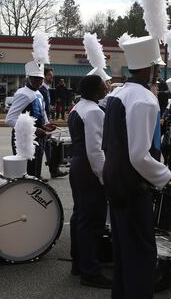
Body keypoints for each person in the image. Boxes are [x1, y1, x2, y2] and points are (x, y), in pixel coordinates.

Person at [102, 35, 171, 299]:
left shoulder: (117, 92)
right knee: (142, 255)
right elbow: (139, 155)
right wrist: (166, 176)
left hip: (115, 181)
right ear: (151, 69)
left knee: (124, 252)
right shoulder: (144, 99)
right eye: (156, 68)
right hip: (133, 186)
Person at [68, 74, 111, 289]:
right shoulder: (94, 111)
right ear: (96, 91)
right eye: (104, 86)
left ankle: (79, 262)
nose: (107, 89)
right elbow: (95, 150)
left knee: (80, 217)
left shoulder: (78, 107)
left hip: (78, 166)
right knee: (92, 221)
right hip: (88, 169)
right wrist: (104, 178)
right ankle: (90, 272)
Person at [6, 59, 56, 181]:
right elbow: (10, 119)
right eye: (35, 78)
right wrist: (34, 130)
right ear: (28, 78)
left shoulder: (38, 93)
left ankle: (36, 179)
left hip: (38, 136)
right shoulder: (23, 94)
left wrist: (46, 125)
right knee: (26, 172)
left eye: (40, 78)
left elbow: (41, 113)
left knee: (36, 166)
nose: (39, 81)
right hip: (24, 138)